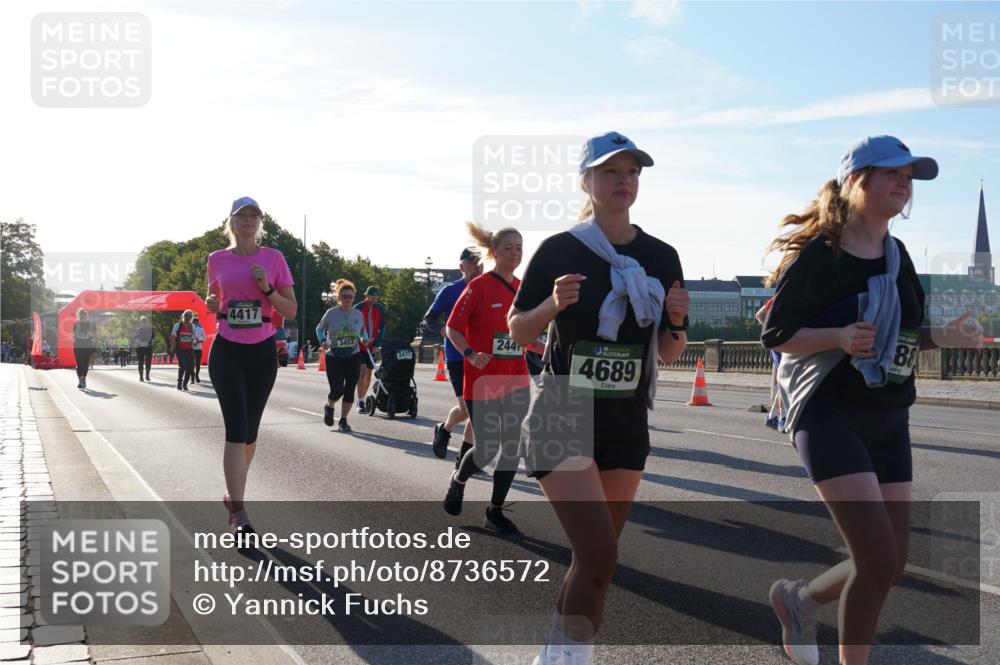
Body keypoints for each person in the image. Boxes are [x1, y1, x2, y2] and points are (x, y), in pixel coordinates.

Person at [761, 136, 983, 665]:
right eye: (893, 173)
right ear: (856, 181)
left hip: (888, 415)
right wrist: (837, 336)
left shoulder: (897, 254)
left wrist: (944, 337)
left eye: (910, 177)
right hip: (828, 413)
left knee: (890, 563)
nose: (904, 184)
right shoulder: (823, 255)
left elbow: (904, 334)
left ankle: (799, 601)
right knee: (876, 557)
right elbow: (777, 333)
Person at [508, 132, 688, 665]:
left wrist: (675, 319)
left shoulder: (661, 255)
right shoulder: (561, 249)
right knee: (599, 554)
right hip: (563, 409)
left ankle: (553, 656)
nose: (623, 181)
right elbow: (517, 330)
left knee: (593, 564)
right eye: (611, 172)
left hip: (626, 418)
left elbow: (670, 353)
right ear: (586, 181)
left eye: (632, 172)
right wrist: (550, 307)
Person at [206, 196, 297, 533]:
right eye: (241, 215)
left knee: (251, 433)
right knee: (236, 429)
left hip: (261, 352)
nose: (248, 220)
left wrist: (268, 289)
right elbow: (215, 302)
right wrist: (212, 303)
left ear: (260, 222)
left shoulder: (274, 258)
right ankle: (239, 511)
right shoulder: (216, 259)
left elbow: (290, 311)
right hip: (227, 350)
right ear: (232, 222)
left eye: (253, 215)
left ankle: (233, 496)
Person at [442, 222, 532, 534]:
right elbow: (452, 328)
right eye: (508, 247)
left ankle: (494, 510)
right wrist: (468, 353)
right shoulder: (478, 287)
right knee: (487, 449)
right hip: (482, 380)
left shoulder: (522, 288)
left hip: (516, 378)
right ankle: (459, 480)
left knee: (512, 446)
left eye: (519, 247)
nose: (515, 252)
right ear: (493, 252)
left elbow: (525, 334)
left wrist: (543, 346)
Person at [424, 248, 483, 465]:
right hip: (458, 356)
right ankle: (445, 428)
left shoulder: (489, 289)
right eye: (472, 261)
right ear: (462, 266)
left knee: (479, 408)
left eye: (480, 261)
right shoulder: (450, 290)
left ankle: (465, 457)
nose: (477, 265)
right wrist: (445, 331)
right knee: (467, 408)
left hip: (483, 356)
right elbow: (429, 319)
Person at [316, 279, 368, 432]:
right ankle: (329, 406)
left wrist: (364, 337)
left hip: (353, 355)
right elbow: (319, 329)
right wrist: (322, 341)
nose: (347, 299)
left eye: (350, 297)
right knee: (337, 390)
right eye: (344, 296)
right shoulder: (331, 313)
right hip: (334, 356)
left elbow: (362, 330)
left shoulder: (358, 314)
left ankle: (343, 420)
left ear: (354, 298)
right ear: (338, 297)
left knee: (350, 388)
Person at [354, 286, 387, 413]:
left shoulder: (380, 309)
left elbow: (382, 328)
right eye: (371, 298)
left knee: (368, 373)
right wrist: (359, 339)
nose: (373, 300)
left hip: (371, 345)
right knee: (361, 372)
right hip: (358, 345)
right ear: (366, 296)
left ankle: (362, 397)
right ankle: (361, 401)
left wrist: (377, 344)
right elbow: (352, 325)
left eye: (375, 298)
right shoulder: (358, 308)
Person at [170, 311, 197, 391]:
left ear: (191, 317)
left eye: (189, 316)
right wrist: (173, 346)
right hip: (179, 349)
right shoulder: (178, 325)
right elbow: (173, 336)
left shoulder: (193, 326)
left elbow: (194, 338)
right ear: (183, 316)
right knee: (183, 366)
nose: (187, 317)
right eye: (186, 315)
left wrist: (194, 341)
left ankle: (185, 384)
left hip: (189, 349)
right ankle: (179, 383)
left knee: (190, 368)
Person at [72, 309, 98, 389]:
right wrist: (75, 334)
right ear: (78, 316)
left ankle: (84, 379)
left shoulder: (91, 324)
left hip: (88, 346)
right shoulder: (76, 324)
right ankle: (80, 381)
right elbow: (73, 336)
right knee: (79, 364)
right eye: (81, 316)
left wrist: (91, 334)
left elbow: (95, 337)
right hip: (78, 346)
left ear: (87, 316)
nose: (83, 317)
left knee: (86, 364)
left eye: (84, 315)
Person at [132, 316, 154, 382]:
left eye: (145, 321)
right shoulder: (138, 330)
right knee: (141, 362)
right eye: (142, 321)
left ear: (147, 322)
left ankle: (147, 375)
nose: (144, 322)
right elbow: (134, 338)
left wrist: (152, 343)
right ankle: (141, 377)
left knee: (148, 362)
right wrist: (137, 341)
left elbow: (153, 338)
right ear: (141, 322)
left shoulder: (150, 329)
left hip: (148, 347)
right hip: (140, 347)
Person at [191, 315, 206, 383]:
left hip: (199, 348)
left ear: (197, 322)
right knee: (191, 363)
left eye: (196, 321)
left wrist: (199, 341)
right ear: (192, 322)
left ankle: (196, 375)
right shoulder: (189, 329)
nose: (195, 323)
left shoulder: (201, 329)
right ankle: (192, 376)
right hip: (191, 348)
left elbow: (204, 338)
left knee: (198, 363)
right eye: (194, 322)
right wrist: (192, 342)